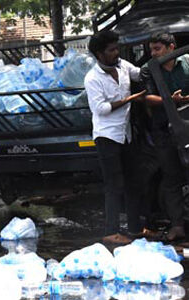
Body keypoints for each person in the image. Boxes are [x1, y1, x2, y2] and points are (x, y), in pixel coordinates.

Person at [84, 30, 146, 244]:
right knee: (114, 185)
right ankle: (111, 232)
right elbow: (100, 109)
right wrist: (129, 99)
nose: (116, 52)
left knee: (133, 181)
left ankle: (136, 228)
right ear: (99, 54)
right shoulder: (92, 78)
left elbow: (140, 73)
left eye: (116, 48)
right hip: (107, 135)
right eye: (111, 50)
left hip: (125, 133)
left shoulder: (123, 65)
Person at [140, 32, 189, 241]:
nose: (153, 53)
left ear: (171, 47)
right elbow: (147, 98)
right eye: (151, 49)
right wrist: (171, 99)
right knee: (171, 178)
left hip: (187, 124)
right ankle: (177, 225)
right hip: (163, 130)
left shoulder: (187, 62)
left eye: (157, 49)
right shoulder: (148, 69)